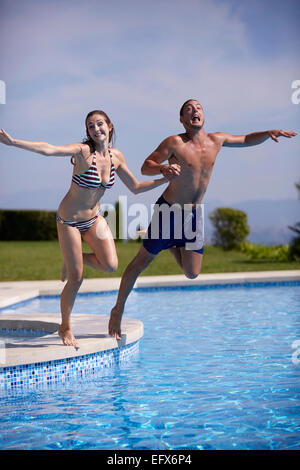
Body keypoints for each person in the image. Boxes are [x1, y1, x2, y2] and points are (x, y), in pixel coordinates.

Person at [109, 98, 297, 339]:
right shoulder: (174, 142)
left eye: (198, 108)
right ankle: (118, 310)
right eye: (188, 109)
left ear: (203, 116)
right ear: (182, 119)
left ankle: (170, 244)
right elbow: (147, 166)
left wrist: (268, 132)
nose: (194, 111)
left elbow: (246, 139)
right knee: (139, 264)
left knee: (192, 273)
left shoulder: (216, 140)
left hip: (193, 215)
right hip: (169, 211)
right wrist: (163, 169)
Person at [0, 110, 167, 348]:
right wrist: (14, 142)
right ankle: (65, 326)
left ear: (109, 126)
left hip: (93, 219)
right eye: (91, 126)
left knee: (110, 265)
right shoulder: (82, 152)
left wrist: (166, 178)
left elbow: (137, 187)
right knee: (76, 278)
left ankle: (73, 260)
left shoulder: (116, 156)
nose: (96, 129)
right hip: (68, 220)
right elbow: (48, 148)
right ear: (88, 131)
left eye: (100, 124)